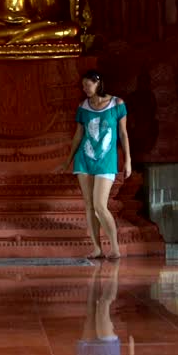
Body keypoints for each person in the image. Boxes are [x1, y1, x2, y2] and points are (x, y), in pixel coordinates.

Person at [66, 70, 131, 260]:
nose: (85, 89)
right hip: (84, 159)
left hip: (106, 161)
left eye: (88, 85)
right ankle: (97, 248)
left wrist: (128, 160)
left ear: (98, 83)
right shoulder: (83, 107)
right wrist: (68, 160)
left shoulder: (117, 104)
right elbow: (78, 135)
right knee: (88, 205)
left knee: (100, 205)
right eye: (83, 86)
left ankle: (115, 248)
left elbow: (123, 134)